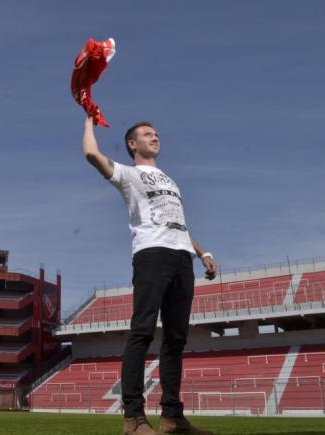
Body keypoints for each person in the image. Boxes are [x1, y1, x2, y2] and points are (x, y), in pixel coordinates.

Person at [82, 116, 218, 435]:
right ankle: (133, 418)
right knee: (142, 330)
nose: (155, 137)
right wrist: (89, 120)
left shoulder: (171, 181)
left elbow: (178, 225)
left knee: (176, 338)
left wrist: (203, 253)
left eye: (156, 134)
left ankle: (172, 418)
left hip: (182, 257)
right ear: (133, 144)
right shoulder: (128, 174)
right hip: (152, 255)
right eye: (147, 134)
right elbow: (91, 154)